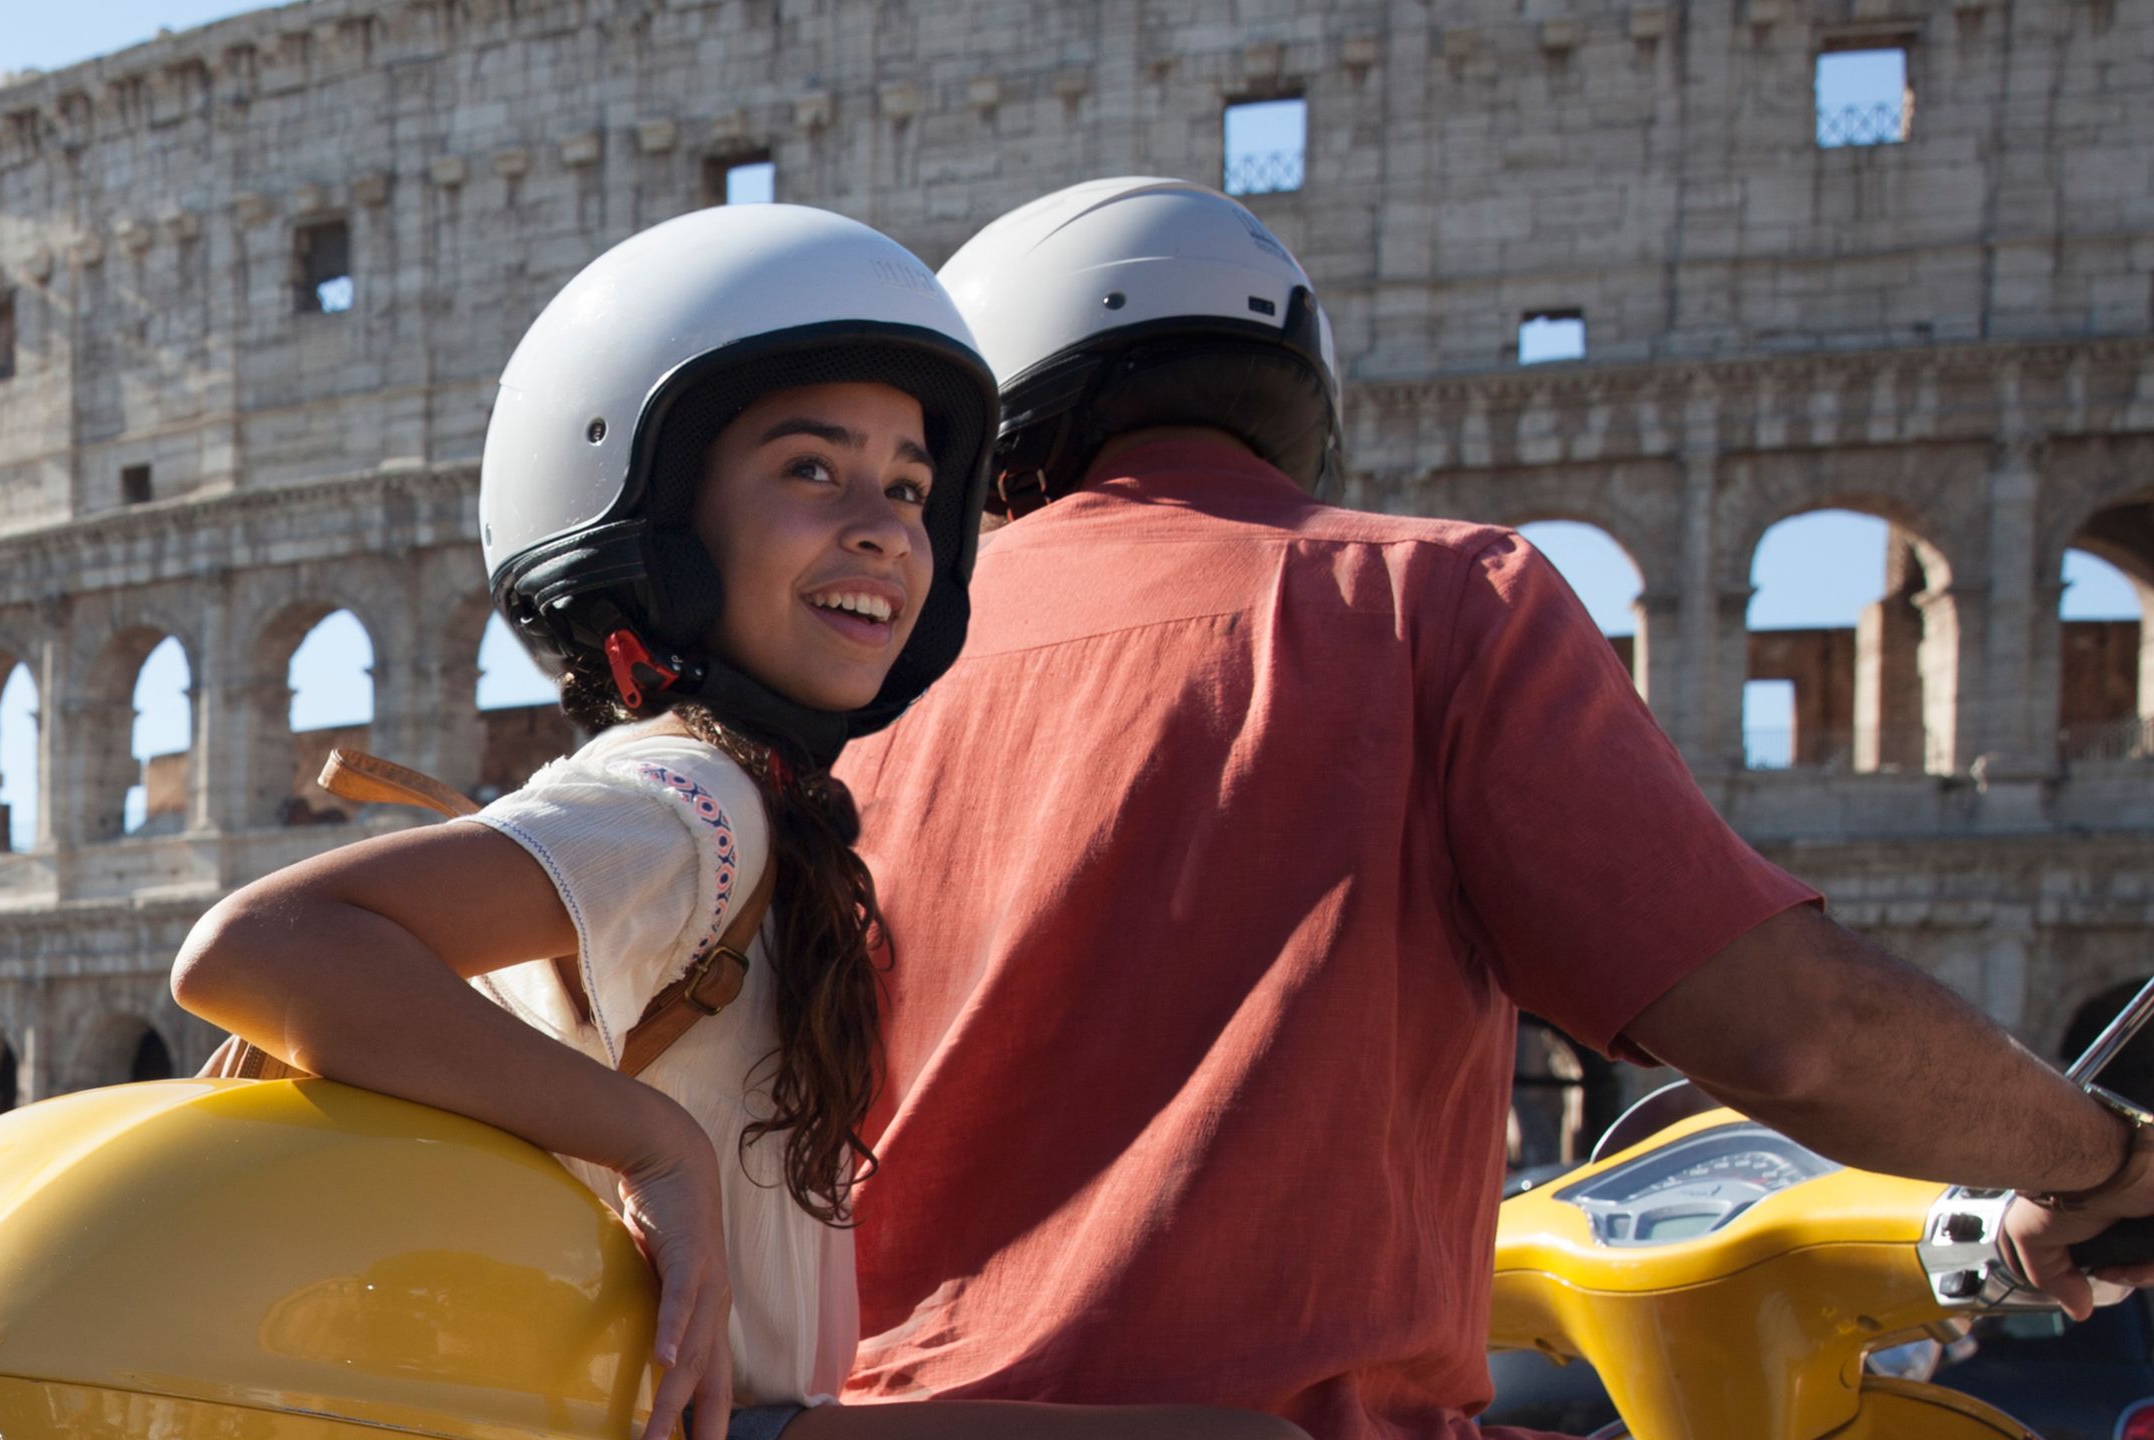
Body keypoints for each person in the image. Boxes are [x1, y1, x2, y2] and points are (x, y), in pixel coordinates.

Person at [829, 176, 2154, 1439]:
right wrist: (2093, 1157)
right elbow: (1793, 1033)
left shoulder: (855, 695)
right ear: (1291, 395)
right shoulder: (1426, 605)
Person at [172, 204, 1302, 1440]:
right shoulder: (693, 806)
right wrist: (659, 1147)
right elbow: (257, 946)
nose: (880, 522)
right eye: (810, 469)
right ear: (652, 524)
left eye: (912, 486)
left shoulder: (731, 798)